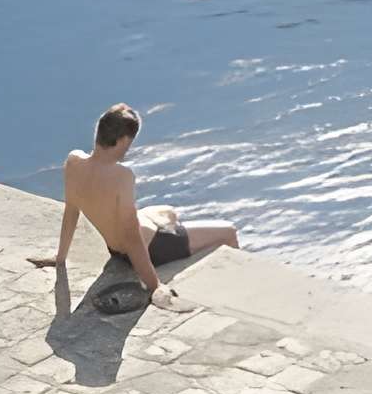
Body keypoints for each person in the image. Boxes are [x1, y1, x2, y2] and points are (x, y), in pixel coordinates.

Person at [31, 103, 238, 309]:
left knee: (168, 212)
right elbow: (132, 237)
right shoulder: (121, 175)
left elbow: (71, 211)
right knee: (228, 231)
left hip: (115, 249)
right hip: (152, 248)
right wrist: (155, 285)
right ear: (122, 140)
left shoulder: (74, 161)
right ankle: (233, 295)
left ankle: (172, 228)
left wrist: (60, 258)